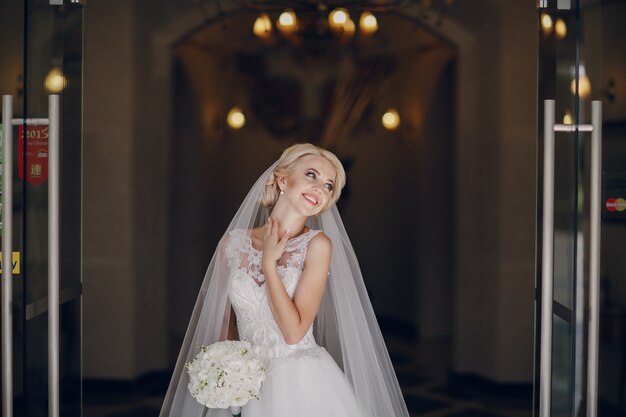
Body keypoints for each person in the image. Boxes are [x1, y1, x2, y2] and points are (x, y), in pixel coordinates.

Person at [159, 143, 410, 417]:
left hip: (300, 383)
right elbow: (223, 319)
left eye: (329, 186)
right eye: (312, 175)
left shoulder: (317, 246)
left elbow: (293, 333)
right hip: (247, 382)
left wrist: (269, 264)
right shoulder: (232, 243)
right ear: (283, 180)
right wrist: (228, 373)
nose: (319, 188)